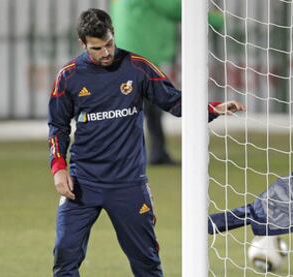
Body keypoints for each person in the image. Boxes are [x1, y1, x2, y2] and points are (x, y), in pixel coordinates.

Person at [48, 8, 244, 277]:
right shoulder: (69, 76)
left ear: (113, 35)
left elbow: (174, 101)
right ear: (83, 44)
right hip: (83, 183)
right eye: (97, 48)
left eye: (109, 44)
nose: (106, 53)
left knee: (146, 263)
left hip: (129, 184)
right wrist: (59, 167)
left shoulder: (138, 67)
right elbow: (57, 126)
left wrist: (212, 107)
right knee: (64, 255)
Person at [110, 0, 223, 165]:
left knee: (142, 106)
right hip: (140, 51)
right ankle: (127, 156)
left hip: (124, 48)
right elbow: (176, 8)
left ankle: (155, 152)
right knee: (141, 106)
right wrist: (217, 20)